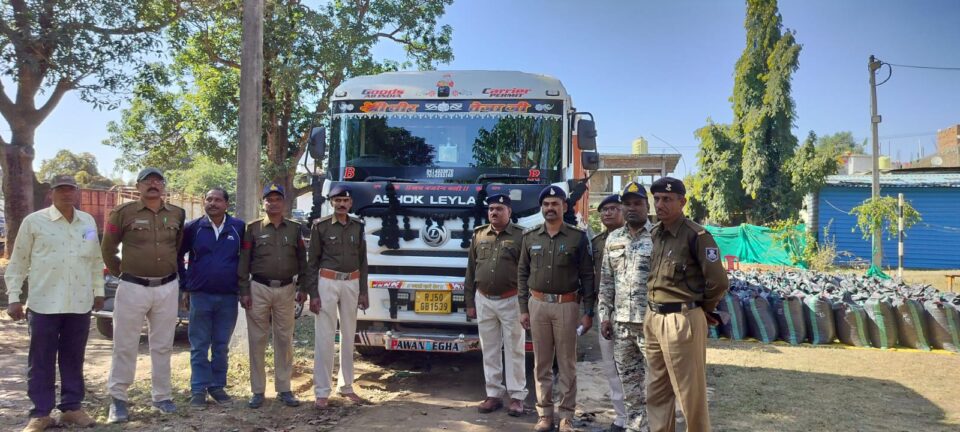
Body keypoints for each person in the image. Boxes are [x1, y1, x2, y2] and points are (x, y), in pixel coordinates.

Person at [5, 175, 103, 431]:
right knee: (41, 360)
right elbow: (19, 261)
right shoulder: (34, 222)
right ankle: (41, 413)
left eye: (71, 189)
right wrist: (14, 297)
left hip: (79, 303)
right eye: (61, 190)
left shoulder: (87, 222)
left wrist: (99, 290)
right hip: (44, 303)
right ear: (51, 193)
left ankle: (71, 408)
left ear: (77, 192)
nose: (66, 194)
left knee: (73, 357)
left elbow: (95, 259)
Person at [644, 177, 729, 432]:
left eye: (667, 199)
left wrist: (703, 308)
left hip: (681, 319)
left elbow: (718, 281)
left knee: (690, 394)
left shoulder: (696, 235)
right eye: (657, 199)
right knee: (656, 391)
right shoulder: (656, 234)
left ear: (682, 202)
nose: (660, 204)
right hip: (654, 317)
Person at [101, 167, 186, 423]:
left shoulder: (177, 214)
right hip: (132, 287)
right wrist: (123, 273)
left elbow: (177, 247)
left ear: (164, 186)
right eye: (147, 181)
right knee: (125, 344)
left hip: (167, 287)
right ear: (138, 186)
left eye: (158, 180)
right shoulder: (123, 213)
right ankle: (118, 400)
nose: (153, 184)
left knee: (163, 345)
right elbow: (107, 248)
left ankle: (162, 396)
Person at [518, 185, 595, 432]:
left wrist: (588, 312)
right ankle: (544, 415)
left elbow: (588, 276)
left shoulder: (577, 237)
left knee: (566, 364)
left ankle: (566, 416)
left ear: (564, 206)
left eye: (555, 204)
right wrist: (523, 308)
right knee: (541, 363)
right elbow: (522, 273)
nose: (550, 208)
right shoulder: (530, 237)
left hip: (566, 306)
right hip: (537, 304)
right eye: (546, 204)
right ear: (541, 208)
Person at [238, 183, 308, 409]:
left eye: (278, 199)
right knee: (257, 339)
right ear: (264, 203)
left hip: (287, 289)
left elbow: (302, 260)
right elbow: (244, 261)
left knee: (284, 338)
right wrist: (244, 290)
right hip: (259, 288)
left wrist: (303, 287)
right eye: (269, 199)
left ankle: (284, 388)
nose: (274, 203)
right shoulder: (253, 228)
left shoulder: (294, 229)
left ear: (284, 203)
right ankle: (258, 391)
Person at [178, 187, 245, 409]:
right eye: (209, 199)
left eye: (217, 200)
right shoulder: (193, 228)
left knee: (221, 346)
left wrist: (243, 289)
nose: (212, 203)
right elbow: (178, 256)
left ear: (226, 204)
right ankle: (198, 389)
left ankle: (217, 387)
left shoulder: (238, 228)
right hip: (200, 295)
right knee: (199, 345)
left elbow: (246, 259)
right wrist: (185, 285)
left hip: (228, 296)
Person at [306, 185, 369, 409]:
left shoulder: (358, 226)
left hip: (352, 282)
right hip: (327, 281)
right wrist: (313, 293)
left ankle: (347, 386)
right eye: (337, 200)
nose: (342, 204)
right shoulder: (320, 226)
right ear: (331, 202)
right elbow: (312, 261)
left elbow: (362, 260)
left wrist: (363, 291)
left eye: (345, 201)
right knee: (324, 336)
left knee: (349, 335)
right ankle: (322, 391)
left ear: (351, 204)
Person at [464, 193, 527, 416]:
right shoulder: (479, 234)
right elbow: (471, 269)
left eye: (499, 209)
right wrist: (469, 301)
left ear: (509, 212)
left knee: (515, 349)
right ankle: (493, 394)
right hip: (483, 299)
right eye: (491, 209)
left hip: (511, 299)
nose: (494, 212)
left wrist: (525, 304)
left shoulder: (521, 236)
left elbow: (527, 271)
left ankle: (517, 397)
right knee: (489, 349)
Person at [598, 183, 654, 432]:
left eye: (637, 203)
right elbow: (606, 281)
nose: (632, 208)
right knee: (630, 384)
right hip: (621, 325)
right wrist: (604, 316)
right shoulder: (614, 239)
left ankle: (659, 426)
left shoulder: (658, 236)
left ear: (647, 206)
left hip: (651, 323)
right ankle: (635, 426)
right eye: (627, 204)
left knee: (658, 383)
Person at [590, 193, 628, 432]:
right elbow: (590, 277)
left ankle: (640, 417)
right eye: (604, 210)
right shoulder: (596, 242)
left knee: (636, 367)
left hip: (633, 310)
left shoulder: (636, 237)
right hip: (605, 309)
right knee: (611, 365)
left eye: (613, 208)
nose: (608, 213)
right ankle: (621, 417)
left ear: (623, 211)